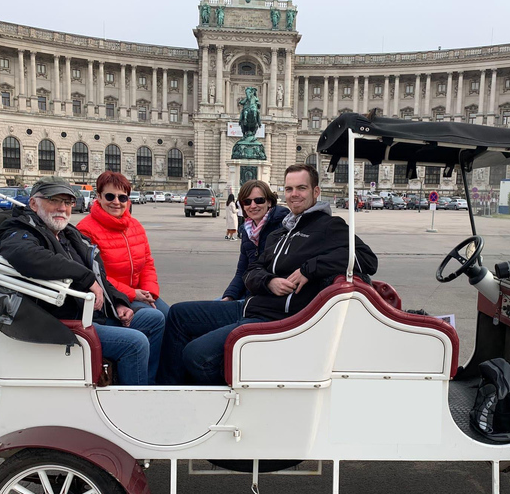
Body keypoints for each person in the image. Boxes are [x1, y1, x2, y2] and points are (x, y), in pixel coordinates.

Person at [157, 164, 378, 385]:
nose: (294, 194)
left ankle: (238, 392)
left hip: (277, 317)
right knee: (178, 314)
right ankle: (166, 392)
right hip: (250, 305)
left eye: (301, 188)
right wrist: (269, 281)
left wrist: (309, 269)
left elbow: (367, 259)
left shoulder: (329, 226)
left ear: (316, 192)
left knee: (196, 355)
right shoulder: (281, 232)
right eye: (289, 189)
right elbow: (251, 271)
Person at [0, 175, 164, 385]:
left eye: (67, 202)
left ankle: (147, 385)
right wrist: (85, 278)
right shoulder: (20, 229)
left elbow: (99, 273)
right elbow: (26, 255)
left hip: (92, 313)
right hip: (61, 321)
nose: (62, 208)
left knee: (155, 319)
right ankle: (132, 404)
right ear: (33, 203)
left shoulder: (67, 233)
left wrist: (119, 301)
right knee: (135, 342)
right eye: (54, 200)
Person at [76, 171, 169, 382]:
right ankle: (146, 380)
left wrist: (149, 291)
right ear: (98, 197)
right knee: (156, 319)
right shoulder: (86, 229)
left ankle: (165, 377)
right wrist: (132, 293)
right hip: (113, 298)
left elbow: (147, 263)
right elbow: (96, 276)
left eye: (122, 197)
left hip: (139, 292)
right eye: (110, 196)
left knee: (172, 316)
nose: (116, 202)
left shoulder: (134, 226)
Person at [221, 180, 289, 301]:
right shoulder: (247, 232)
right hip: (249, 294)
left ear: (269, 202)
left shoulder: (283, 227)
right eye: (247, 202)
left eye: (259, 200)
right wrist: (228, 296)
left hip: (269, 300)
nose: (253, 206)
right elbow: (242, 272)